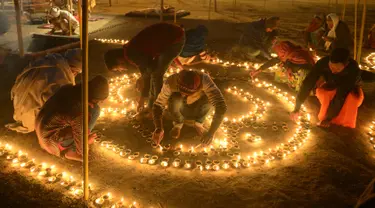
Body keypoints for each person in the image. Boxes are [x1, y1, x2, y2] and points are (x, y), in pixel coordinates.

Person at [104, 23, 185, 114]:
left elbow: (150, 69)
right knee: (154, 74)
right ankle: (153, 105)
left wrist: (142, 94)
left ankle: (158, 106)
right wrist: (143, 87)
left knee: (156, 75)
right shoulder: (129, 51)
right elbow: (147, 69)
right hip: (170, 37)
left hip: (175, 40)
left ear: (118, 60)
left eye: (117, 68)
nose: (120, 70)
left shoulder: (132, 54)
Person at [6, 48, 82, 133]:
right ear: (72, 67)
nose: (75, 75)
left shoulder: (50, 61)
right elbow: (56, 106)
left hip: (19, 105)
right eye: (76, 72)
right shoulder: (58, 77)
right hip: (29, 114)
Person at [35, 75, 109, 162]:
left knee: (94, 110)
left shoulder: (69, 89)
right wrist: (86, 143)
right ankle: (72, 152)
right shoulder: (77, 112)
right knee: (95, 111)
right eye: (99, 101)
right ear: (93, 99)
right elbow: (79, 133)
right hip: (51, 143)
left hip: (42, 132)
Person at [290, 48, 363, 128]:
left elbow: (341, 95)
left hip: (350, 88)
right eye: (331, 67)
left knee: (350, 100)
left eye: (337, 69)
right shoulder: (323, 62)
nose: (333, 71)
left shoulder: (353, 70)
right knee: (324, 95)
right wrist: (297, 107)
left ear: (345, 65)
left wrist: (328, 118)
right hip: (332, 84)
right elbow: (308, 83)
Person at [152, 70, 227, 145]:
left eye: (187, 93)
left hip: (198, 102)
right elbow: (158, 105)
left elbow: (221, 107)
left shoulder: (205, 80)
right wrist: (158, 128)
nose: (184, 95)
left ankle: (199, 123)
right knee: (175, 98)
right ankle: (178, 123)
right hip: (180, 104)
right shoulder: (170, 82)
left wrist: (211, 133)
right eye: (182, 92)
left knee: (209, 99)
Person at [250, 41, 316, 91]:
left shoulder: (293, 56)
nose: (279, 54)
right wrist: (259, 70)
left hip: (307, 77)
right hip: (308, 73)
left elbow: (299, 67)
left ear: (283, 51)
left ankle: (295, 85)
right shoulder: (291, 52)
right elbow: (274, 61)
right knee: (282, 65)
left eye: (279, 52)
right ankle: (293, 83)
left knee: (282, 67)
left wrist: (287, 69)